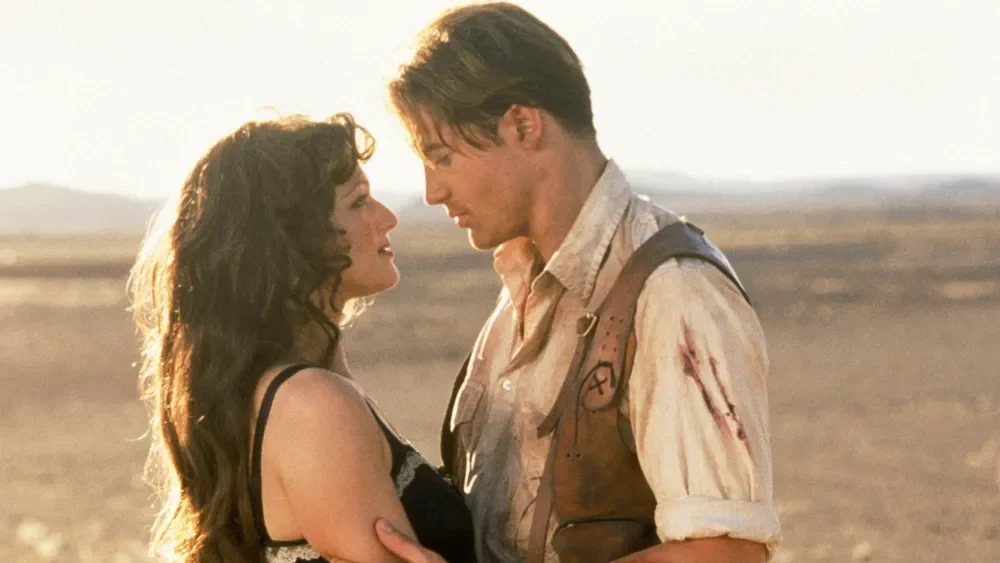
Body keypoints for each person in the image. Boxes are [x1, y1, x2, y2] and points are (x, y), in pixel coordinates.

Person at [372, 2, 781, 562]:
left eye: (441, 156)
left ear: (523, 125)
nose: (431, 191)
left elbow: (725, 553)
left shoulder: (672, 292)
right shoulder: (518, 296)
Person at [129, 114, 476, 563]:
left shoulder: (288, 390)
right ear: (293, 239)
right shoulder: (313, 404)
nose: (388, 218)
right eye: (359, 202)